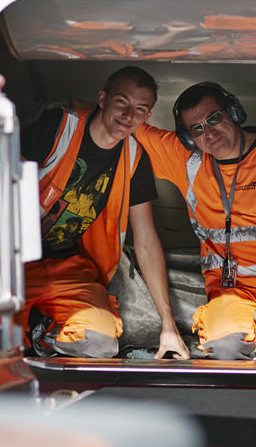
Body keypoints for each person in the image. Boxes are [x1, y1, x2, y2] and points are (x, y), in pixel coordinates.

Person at [133, 82, 256, 361]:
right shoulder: (187, 160)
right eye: (198, 129)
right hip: (230, 291)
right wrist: (69, 106)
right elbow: (121, 120)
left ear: (233, 112)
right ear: (189, 138)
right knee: (224, 348)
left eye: (214, 118)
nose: (210, 133)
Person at [19, 67, 190, 359]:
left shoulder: (134, 157)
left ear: (146, 117)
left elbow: (147, 242)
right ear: (102, 99)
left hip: (69, 267)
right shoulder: (59, 127)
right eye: (122, 102)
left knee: (100, 343)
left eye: (140, 109)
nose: (128, 116)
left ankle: (39, 331)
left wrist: (168, 326)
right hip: (14, 266)